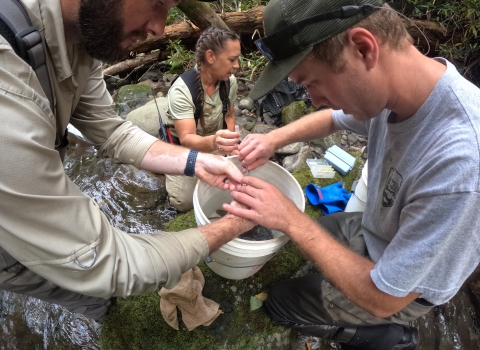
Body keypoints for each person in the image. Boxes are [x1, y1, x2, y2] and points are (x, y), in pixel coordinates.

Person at [223, 0, 480, 349]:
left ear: (363, 48)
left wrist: (291, 219)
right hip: (375, 233)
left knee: (281, 300)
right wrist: (273, 139)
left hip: (401, 293)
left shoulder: (460, 165)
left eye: (312, 83)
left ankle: (389, 337)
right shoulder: (396, 91)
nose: (313, 100)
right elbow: (331, 119)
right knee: (298, 242)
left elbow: (385, 297)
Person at [0, 0, 254, 322]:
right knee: (90, 292)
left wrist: (196, 162)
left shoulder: (81, 37)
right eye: (157, 4)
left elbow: (111, 132)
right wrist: (237, 223)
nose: (159, 29)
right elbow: (103, 262)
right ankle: (113, 318)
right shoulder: (6, 86)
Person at [163, 26, 241, 212]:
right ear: (210, 56)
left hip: (214, 142)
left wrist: (230, 147)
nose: (237, 65)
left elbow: (229, 115)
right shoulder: (182, 91)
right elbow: (187, 138)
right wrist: (215, 142)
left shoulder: (229, 82)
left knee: (239, 180)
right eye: (232, 59)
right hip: (184, 148)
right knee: (184, 202)